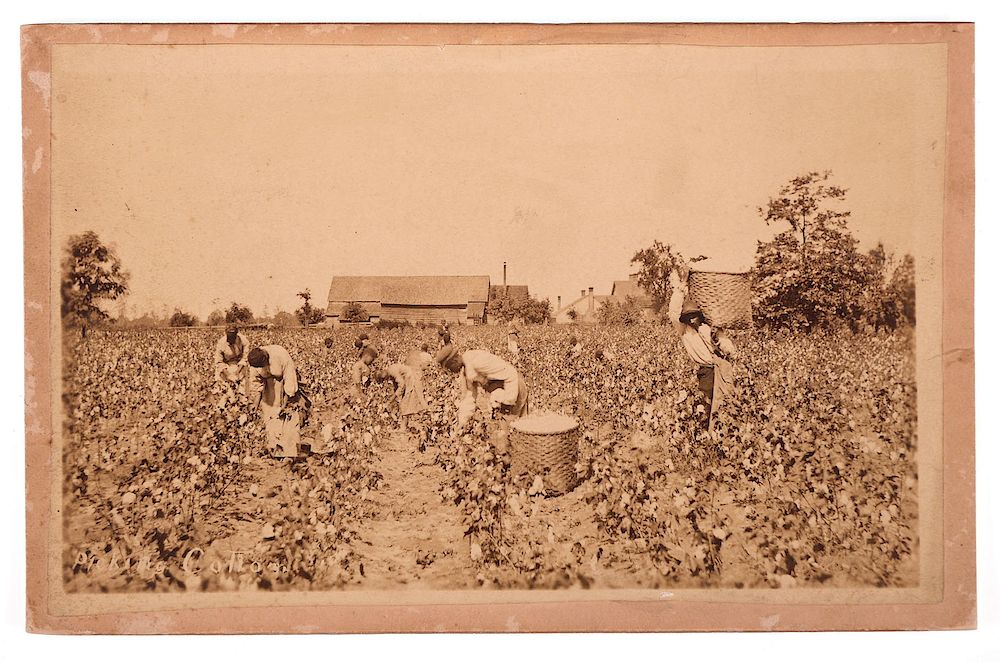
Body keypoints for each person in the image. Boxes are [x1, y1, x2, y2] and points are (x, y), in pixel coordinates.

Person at [667, 269, 736, 426]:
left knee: (726, 401)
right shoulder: (684, 330)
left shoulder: (709, 327)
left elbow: (727, 345)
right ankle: (706, 434)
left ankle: (722, 432)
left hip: (721, 368)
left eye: (694, 315)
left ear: (699, 315)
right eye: (688, 317)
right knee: (707, 402)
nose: (691, 319)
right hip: (706, 370)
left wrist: (722, 345)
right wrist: (680, 287)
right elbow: (673, 312)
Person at [434, 344, 529, 430]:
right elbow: (470, 396)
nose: (452, 372)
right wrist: (462, 421)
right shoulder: (467, 370)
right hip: (503, 395)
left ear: (454, 360)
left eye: (450, 368)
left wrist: (509, 400)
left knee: (517, 430)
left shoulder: (476, 361)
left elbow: (509, 373)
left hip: (514, 387)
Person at [247, 345, 312, 458]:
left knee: (289, 417)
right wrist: (255, 404)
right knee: (271, 417)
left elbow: (290, 380)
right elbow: (257, 384)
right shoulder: (255, 362)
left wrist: (285, 403)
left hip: (285, 386)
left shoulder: (280, 355)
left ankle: (290, 452)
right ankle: (275, 449)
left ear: (266, 358)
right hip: (269, 389)